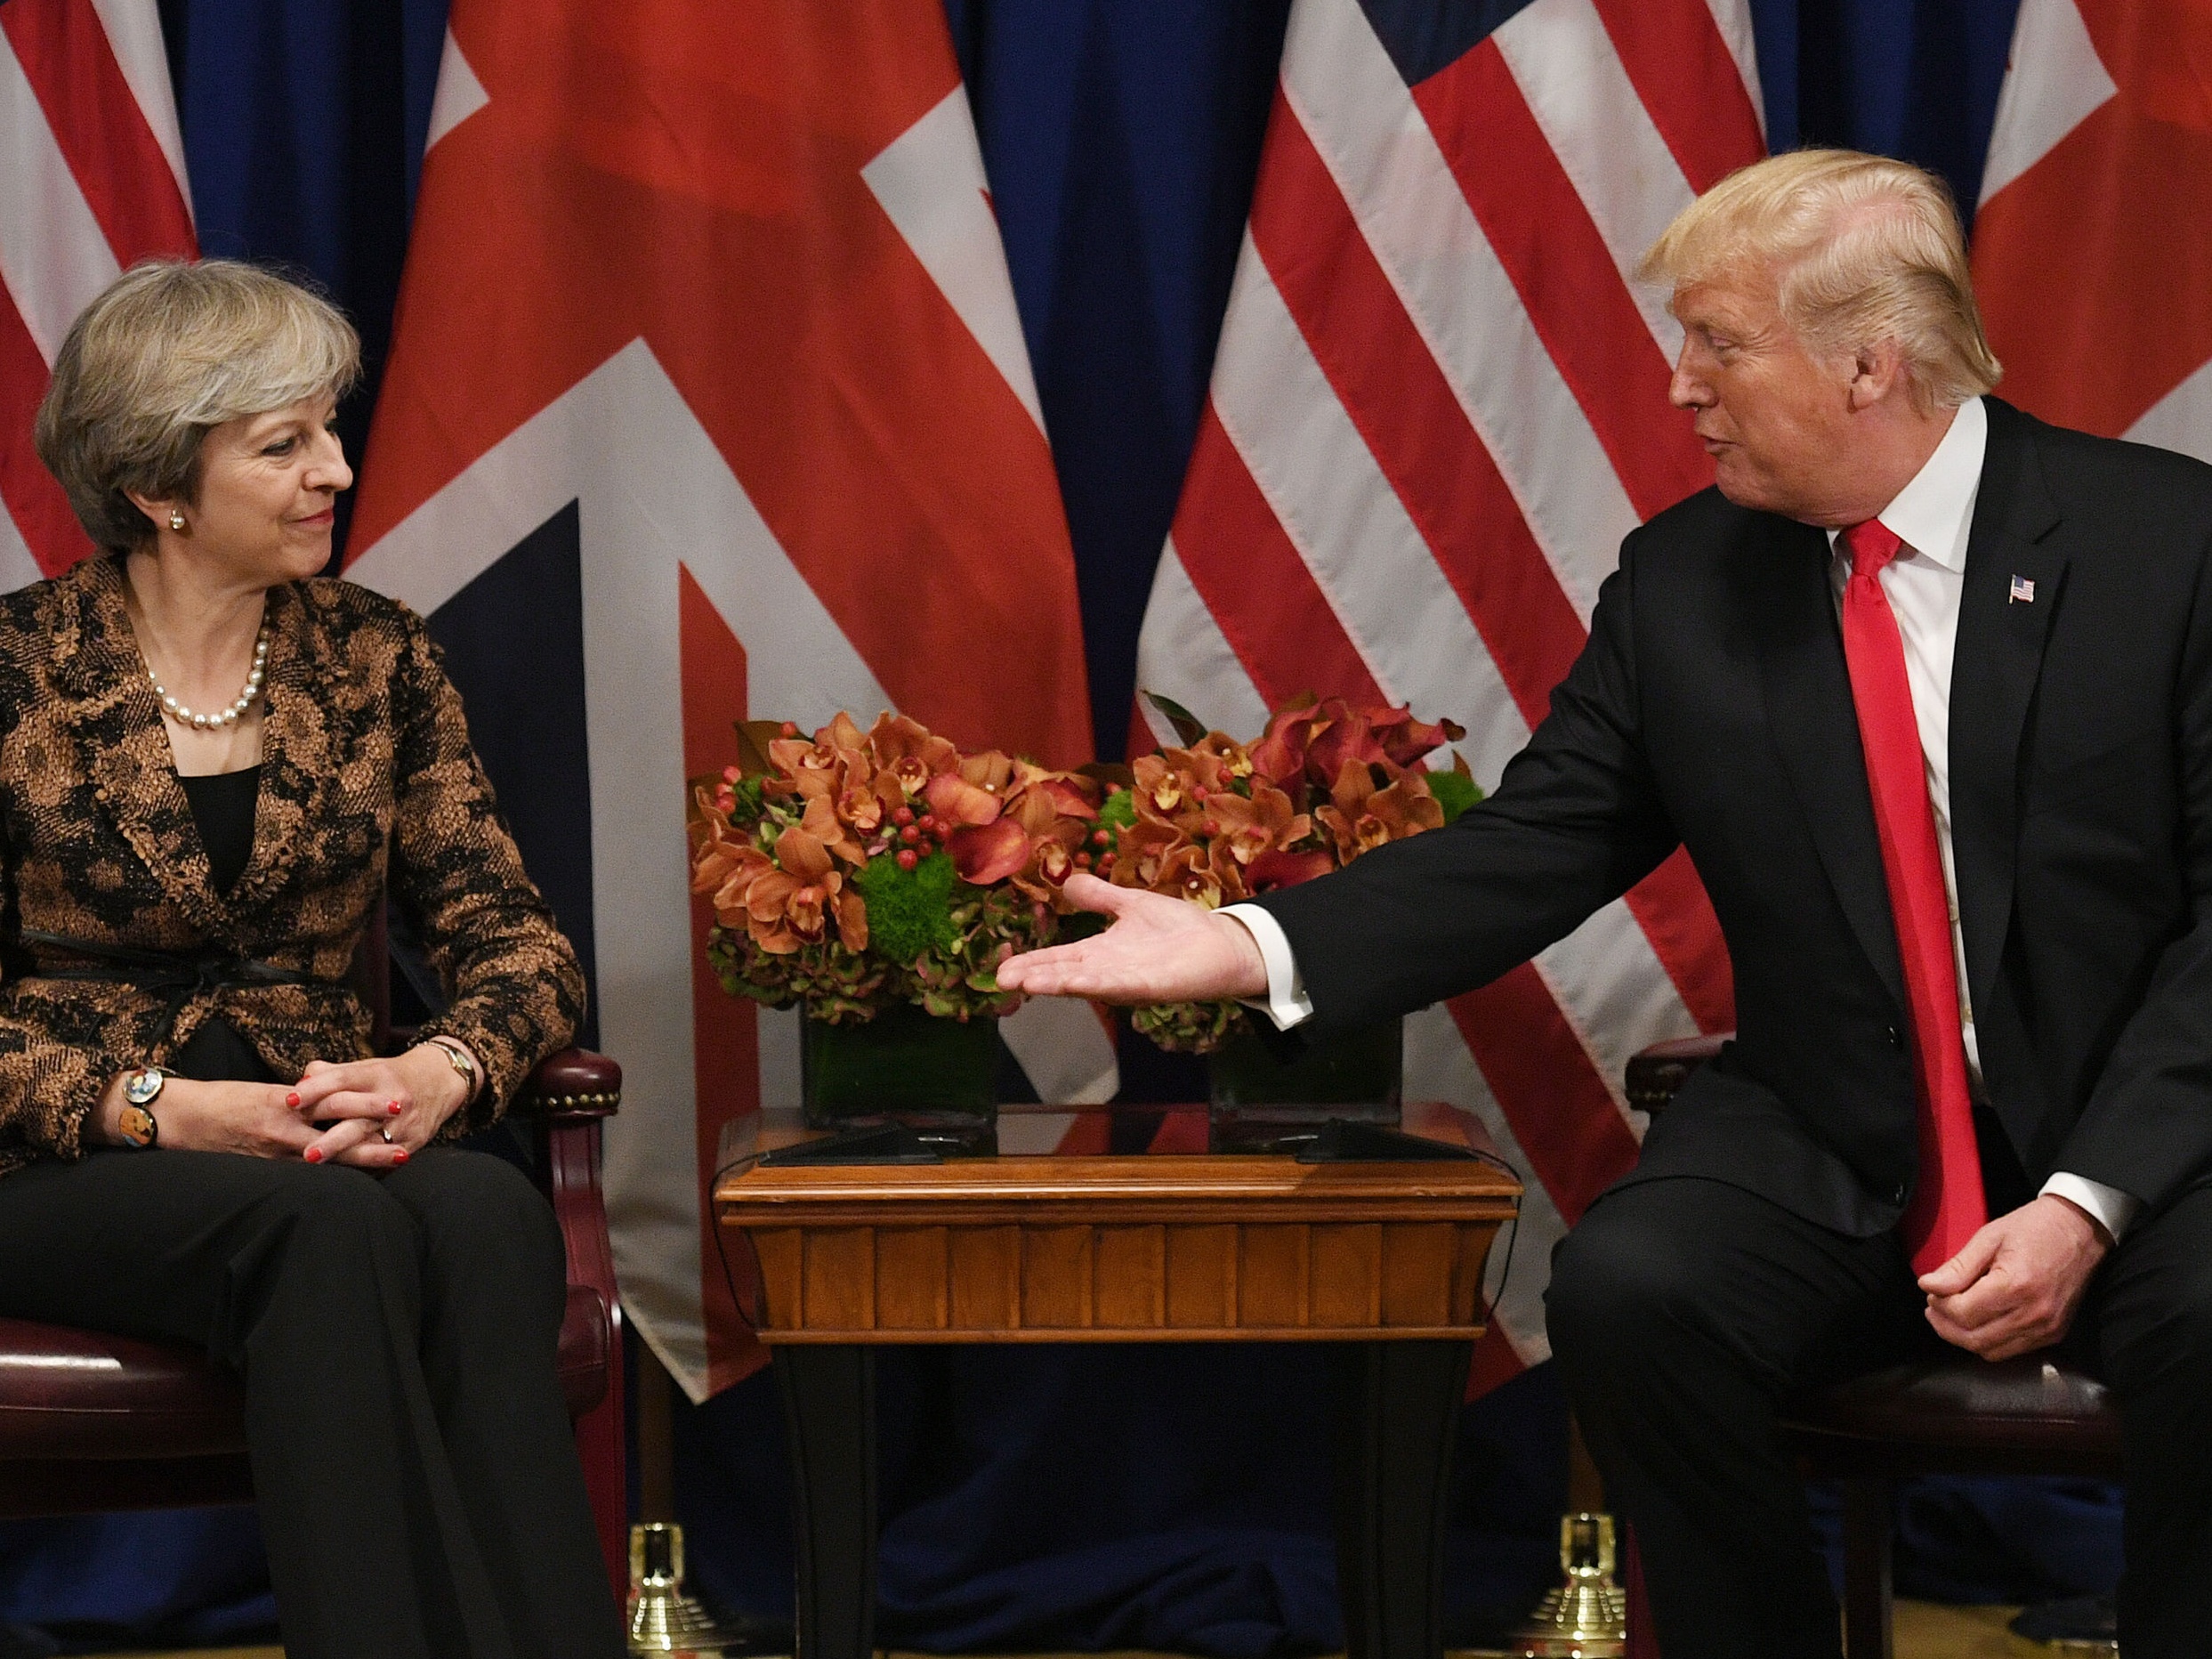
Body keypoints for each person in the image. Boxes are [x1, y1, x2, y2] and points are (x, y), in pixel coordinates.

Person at [998, 149, 2212, 1658]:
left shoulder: (2168, 548)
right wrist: (1256, 943)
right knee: (1635, 1293)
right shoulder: (1688, 579)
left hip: (2145, 1141)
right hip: (1834, 1134)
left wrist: (2084, 1204)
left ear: (1864, 363)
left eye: (1717, 339)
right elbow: (1540, 841)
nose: (1678, 385)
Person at [7, 259, 625, 1658]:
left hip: (312, 1130)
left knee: (479, 1213)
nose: (334, 471)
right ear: (160, 483)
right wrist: (162, 1109)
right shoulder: (14, 672)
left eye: (326, 433)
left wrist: (443, 1067)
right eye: (283, 445)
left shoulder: (377, 659)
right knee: (326, 1227)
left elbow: (511, 938)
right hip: (59, 1157)